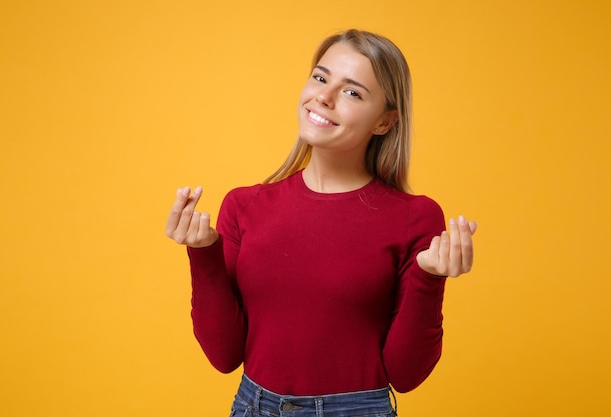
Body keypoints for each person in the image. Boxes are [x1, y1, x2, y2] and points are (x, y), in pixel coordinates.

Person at [166, 29, 477, 417]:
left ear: (384, 121)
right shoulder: (244, 206)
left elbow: (407, 374)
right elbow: (224, 355)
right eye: (320, 77)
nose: (324, 98)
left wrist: (430, 280)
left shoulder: (415, 217)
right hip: (254, 406)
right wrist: (202, 255)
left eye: (352, 92)